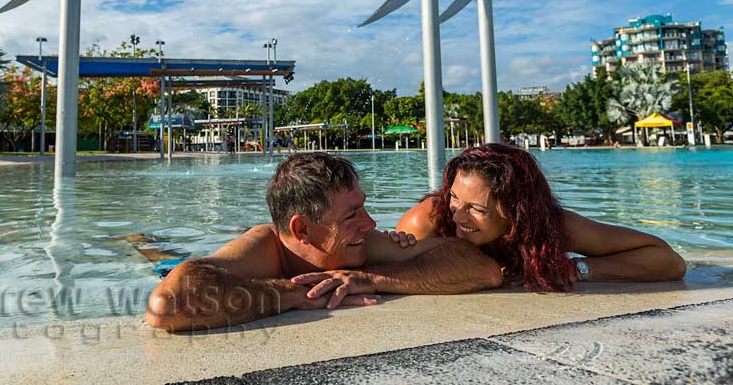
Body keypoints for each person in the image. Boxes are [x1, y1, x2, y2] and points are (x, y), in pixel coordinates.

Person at [146, 152, 502, 332]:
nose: (371, 224)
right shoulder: (264, 248)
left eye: (364, 207)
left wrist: (370, 278)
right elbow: (166, 305)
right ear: (302, 229)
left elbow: (480, 267)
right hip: (178, 267)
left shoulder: (359, 245)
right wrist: (296, 294)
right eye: (352, 214)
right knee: (158, 257)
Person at [395, 144, 687, 291]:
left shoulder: (547, 226)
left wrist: (576, 270)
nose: (458, 215)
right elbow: (391, 273)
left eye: (477, 209)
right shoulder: (428, 220)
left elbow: (669, 260)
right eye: (455, 197)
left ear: (516, 211)